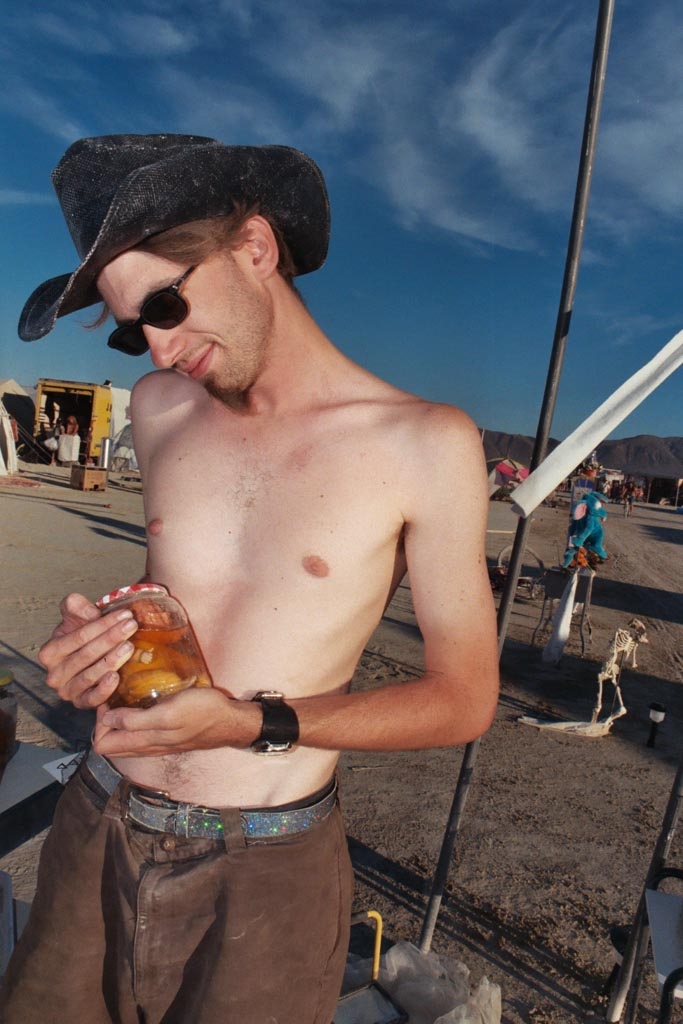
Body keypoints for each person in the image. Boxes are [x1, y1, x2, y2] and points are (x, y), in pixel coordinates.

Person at [1, 134, 499, 1024]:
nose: (155, 350)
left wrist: (248, 722)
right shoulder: (159, 413)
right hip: (100, 820)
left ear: (256, 250)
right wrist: (103, 644)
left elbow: (463, 698)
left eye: (165, 301)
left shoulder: (424, 446)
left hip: (266, 872)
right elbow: (181, 598)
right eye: (131, 329)